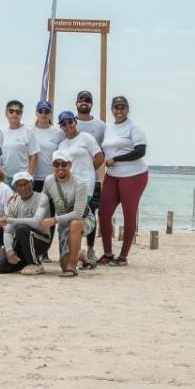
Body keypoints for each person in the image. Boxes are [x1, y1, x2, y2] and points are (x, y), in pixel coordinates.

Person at [98, 95, 150, 266]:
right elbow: (105, 150)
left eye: (122, 107)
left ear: (128, 109)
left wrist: (118, 159)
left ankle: (123, 256)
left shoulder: (134, 127)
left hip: (134, 175)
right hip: (112, 175)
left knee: (129, 214)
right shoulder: (109, 128)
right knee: (104, 213)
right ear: (112, 110)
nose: (119, 111)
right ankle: (107, 253)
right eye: (116, 107)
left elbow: (140, 151)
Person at [56, 110, 103, 265]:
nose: (67, 125)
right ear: (61, 126)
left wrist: (88, 170)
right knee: (71, 220)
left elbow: (99, 158)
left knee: (80, 218)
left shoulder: (86, 138)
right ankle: (80, 254)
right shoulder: (62, 144)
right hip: (69, 188)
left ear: (75, 121)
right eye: (63, 123)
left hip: (86, 186)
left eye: (70, 122)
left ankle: (82, 253)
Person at [42, 150, 95, 277]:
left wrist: (54, 220)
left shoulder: (79, 183)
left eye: (64, 164)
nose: (60, 167)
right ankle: (81, 254)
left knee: (75, 224)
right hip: (64, 223)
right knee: (63, 265)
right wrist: (20, 198)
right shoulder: (49, 181)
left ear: (70, 165)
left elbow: (77, 213)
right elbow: (41, 200)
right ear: (53, 166)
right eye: (56, 164)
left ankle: (72, 267)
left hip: (84, 219)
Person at [0, 171, 51, 275]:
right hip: (22, 241)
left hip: (41, 239)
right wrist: (9, 250)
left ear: (32, 184)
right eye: (20, 185)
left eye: (26, 184)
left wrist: (9, 220)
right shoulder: (14, 202)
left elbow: (36, 222)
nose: (23, 187)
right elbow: (8, 230)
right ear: (16, 187)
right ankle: (25, 261)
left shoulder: (42, 198)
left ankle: (35, 264)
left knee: (21, 228)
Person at [0, 100, 37, 184]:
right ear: (6, 114)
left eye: (18, 112)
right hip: (6, 178)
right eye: (11, 111)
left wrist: (29, 176)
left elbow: (34, 156)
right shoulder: (2, 133)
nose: (14, 114)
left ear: (21, 114)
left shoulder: (28, 131)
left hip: (23, 178)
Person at [30, 100, 61, 193]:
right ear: (36, 113)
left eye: (46, 111)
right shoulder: (29, 130)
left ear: (50, 114)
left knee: (57, 205)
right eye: (40, 111)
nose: (43, 114)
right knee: (36, 207)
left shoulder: (58, 132)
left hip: (53, 178)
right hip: (33, 178)